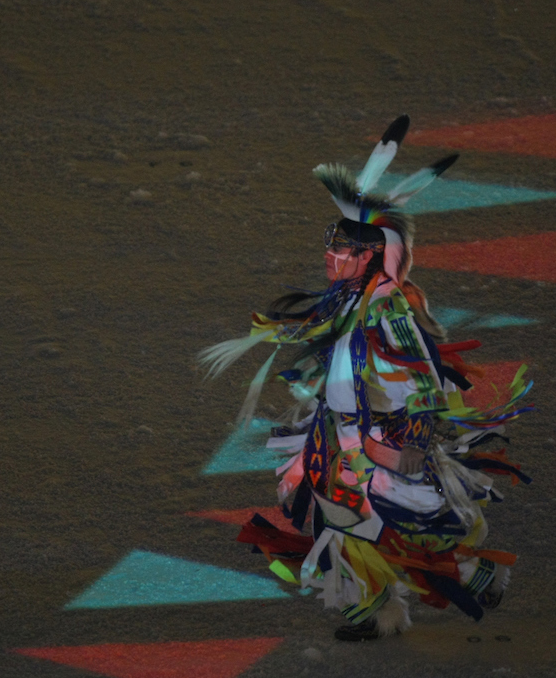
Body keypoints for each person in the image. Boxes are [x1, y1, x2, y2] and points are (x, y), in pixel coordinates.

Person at [201, 115, 533, 641]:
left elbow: (424, 374)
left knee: (388, 522)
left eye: (343, 249)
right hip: (341, 431)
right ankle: (387, 604)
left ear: (371, 253)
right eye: (331, 245)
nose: (330, 256)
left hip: (378, 435)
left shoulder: (389, 306)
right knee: (334, 516)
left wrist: (409, 434)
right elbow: (332, 335)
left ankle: (458, 578)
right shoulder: (354, 296)